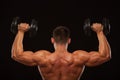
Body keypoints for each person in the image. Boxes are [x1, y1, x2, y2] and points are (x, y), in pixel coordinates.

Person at [11, 23, 111, 80]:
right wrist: (100, 32)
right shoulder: (78, 58)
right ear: (69, 40)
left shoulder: (43, 57)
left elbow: (16, 55)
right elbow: (105, 55)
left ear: (52, 40)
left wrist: (21, 31)